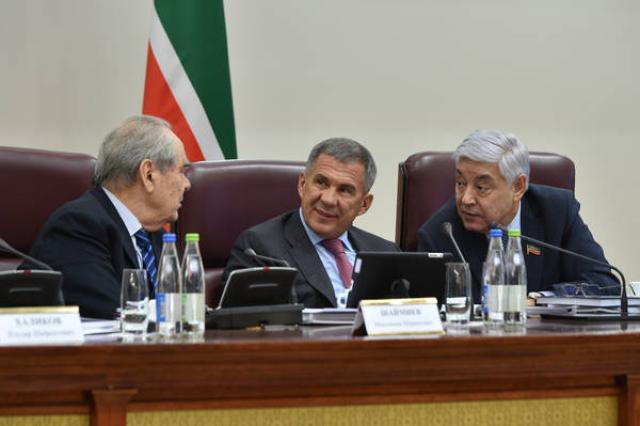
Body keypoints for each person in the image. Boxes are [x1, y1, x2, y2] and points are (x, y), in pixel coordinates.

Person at [417, 129, 619, 301]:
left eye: (481, 187)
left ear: (518, 186)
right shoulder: (441, 234)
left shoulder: (556, 212)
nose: (466, 199)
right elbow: (428, 309)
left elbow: (606, 284)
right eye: (461, 183)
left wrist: (541, 300)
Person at [22, 115, 191, 318]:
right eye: (181, 171)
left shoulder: (156, 238)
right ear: (148, 175)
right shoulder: (77, 227)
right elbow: (115, 311)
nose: (187, 184)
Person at [223, 137, 398, 308]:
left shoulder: (387, 254)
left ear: (364, 204)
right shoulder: (259, 248)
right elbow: (246, 321)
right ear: (302, 184)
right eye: (321, 182)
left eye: (345, 190)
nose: (328, 199)